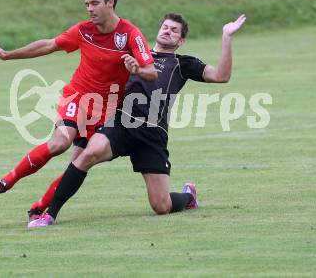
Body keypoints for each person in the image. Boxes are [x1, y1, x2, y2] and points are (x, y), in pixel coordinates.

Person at [28, 13, 247, 227]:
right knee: (88, 154)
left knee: (161, 206)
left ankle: (189, 197)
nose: (167, 31)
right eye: (165, 27)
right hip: (122, 122)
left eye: (174, 30)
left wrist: (227, 37)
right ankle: (49, 215)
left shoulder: (182, 64)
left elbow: (221, 76)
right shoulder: (135, 53)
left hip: (152, 133)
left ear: (181, 41)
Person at [0, 0, 157, 197]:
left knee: (78, 163)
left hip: (105, 110)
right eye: (87, 4)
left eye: (95, 3)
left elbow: (152, 72)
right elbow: (48, 45)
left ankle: (40, 210)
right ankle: (5, 182)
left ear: (110, 2)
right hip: (77, 97)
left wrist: (137, 69)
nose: (90, 9)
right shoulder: (84, 31)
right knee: (60, 143)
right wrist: (8, 55)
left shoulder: (130, 34)